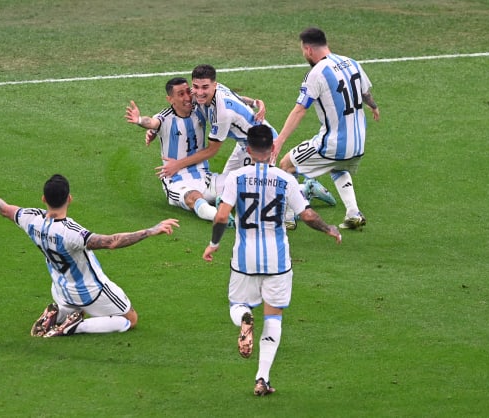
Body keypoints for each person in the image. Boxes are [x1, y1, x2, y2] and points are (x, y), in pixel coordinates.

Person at [202, 125, 341, 396]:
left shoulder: (237, 177)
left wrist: (214, 244)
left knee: (238, 304)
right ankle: (262, 378)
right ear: (273, 149)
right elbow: (308, 215)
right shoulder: (286, 180)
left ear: (249, 150)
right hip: (278, 260)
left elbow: (220, 217)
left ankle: (244, 317)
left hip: (244, 258)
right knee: (274, 317)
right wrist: (329, 229)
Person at [0, 173, 179, 338]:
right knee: (130, 319)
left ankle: (62, 313)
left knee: (72, 301)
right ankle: (75, 326)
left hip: (60, 289)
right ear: (70, 198)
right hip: (91, 291)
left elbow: (4, 209)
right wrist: (151, 230)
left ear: (43, 198)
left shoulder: (32, 219)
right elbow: (112, 242)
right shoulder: (72, 233)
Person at [157, 64, 337, 225]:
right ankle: (303, 189)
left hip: (262, 146)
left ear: (214, 85)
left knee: (264, 195)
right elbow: (237, 97)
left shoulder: (222, 113)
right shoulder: (214, 91)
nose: (199, 92)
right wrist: (256, 102)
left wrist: (177, 165)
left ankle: (303, 192)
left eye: (205, 87)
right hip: (244, 144)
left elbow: (212, 150)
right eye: (195, 87)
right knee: (233, 188)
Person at [272, 27, 381, 230]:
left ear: (309, 49)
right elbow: (366, 93)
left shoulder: (316, 73)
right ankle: (353, 213)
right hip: (358, 145)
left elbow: (299, 111)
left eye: (303, 50)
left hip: (333, 144)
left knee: (286, 165)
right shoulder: (352, 63)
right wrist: (374, 107)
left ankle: (287, 218)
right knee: (338, 166)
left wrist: (279, 141)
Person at [125, 77, 225, 224]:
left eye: (187, 92)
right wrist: (140, 120)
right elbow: (152, 122)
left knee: (240, 181)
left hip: (206, 177)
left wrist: (253, 103)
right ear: (170, 99)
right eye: (181, 94)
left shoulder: (199, 109)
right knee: (195, 197)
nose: (187, 98)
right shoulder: (165, 118)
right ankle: (220, 217)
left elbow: (224, 99)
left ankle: (222, 202)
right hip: (177, 179)